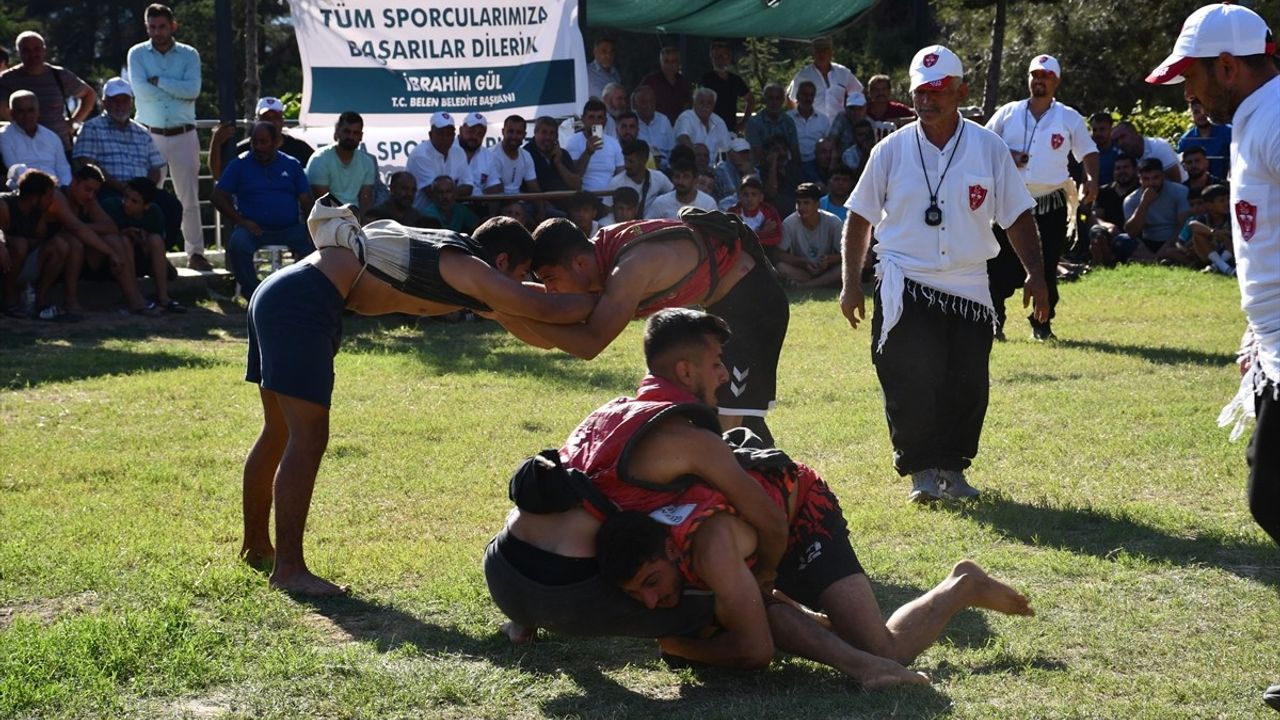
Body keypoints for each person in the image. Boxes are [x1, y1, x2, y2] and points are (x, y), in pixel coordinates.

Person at [241, 204, 596, 595]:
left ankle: (257, 547)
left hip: (281, 291)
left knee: (277, 432)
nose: (515, 286)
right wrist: (614, 297)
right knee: (306, 438)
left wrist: (589, 316)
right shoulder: (469, 268)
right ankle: (288, 569)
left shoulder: (468, 277)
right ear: (501, 260)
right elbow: (542, 306)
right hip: (302, 299)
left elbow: (538, 331)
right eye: (516, 276)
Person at [839, 45, 1048, 503]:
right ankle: (921, 474)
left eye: (937, 91)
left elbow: (1017, 214)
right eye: (919, 93)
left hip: (970, 282)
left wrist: (1036, 273)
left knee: (967, 384)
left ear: (960, 91)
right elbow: (859, 217)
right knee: (909, 378)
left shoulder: (988, 147)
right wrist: (850, 282)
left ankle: (954, 469)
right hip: (904, 280)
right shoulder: (890, 150)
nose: (927, 101)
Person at [1147, 5, 1280, 710]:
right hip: (1276, 350)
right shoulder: (1256, 117)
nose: (1186, 94)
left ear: (1228, 67)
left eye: (1190, 79)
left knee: (1273, 496)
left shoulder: (1275, 116)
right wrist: (1258, 337)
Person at [522, 205, 789, 443]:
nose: (550, 290)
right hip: (726, 306)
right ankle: (783, 483)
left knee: (726, 422)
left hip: (754, 304)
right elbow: (549, 338)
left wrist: (504, 301)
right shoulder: (601, 257)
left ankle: (752, 488)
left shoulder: (630, 267)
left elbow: (591, 343)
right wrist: (502, 310)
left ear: (579, 263)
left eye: (550, 279)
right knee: (729, 414)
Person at [984, 54, 1099, 341]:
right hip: (1010, 199)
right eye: (1035, 75)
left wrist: (1092, 180)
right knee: (999, 261)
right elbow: (984, 143)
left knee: (1046, 264)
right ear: (1029, 79)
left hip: (1051, 200)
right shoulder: (1008, 112)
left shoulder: (1069, 117)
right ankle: (994, 322)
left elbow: (1089, 151)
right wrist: (1009, 155)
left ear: (1056, 81)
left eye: (1046, 76)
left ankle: (1042, 325)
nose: (1039, 80)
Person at [126, 3, 207, 271]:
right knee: (146, 197)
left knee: (189, 198)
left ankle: (195, 253)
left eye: (162, 26)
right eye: (152, 27)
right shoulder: (137, 53)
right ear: (146, 27)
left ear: (173, 26)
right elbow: (140, 91)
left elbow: (193, 90)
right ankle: (146, 253)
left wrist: (159, 81)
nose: (157, 32)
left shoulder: (189, 54)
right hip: (149, 134)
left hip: (183, 133)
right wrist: (174, 86)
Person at [211, 122, 315, 298]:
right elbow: (217, 196)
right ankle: (254, 294)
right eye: (254, 142)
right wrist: (241, 221)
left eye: (263, 142)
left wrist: (311, 228)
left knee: (316, 246)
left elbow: (306, 200)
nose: (258, 147)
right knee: (238, 243)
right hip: (254, 229)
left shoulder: (292, 164)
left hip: (289, 228)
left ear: (275, 142)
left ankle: (303, 294)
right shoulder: (240, 164)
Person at [61, 164, 157, 315]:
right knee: (75, 243)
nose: (91, 195)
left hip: (88, 260)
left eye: (95, 192)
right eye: (87, 189)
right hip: (56, 255)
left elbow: (110, 227)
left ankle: (135, 298)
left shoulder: (89, 200)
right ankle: (70, 300)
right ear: (74, 182)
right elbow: (73, 228)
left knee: (114, 238)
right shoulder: (60, 197)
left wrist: (82, 227)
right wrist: (111, 253)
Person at [0, 31, 96, 153]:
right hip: (23, 149)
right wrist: (18, 126)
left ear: (44, 50)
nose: (32, 54)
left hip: (60, 147)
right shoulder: (7, 79)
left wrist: (74, 122)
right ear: (19, 53)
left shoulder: (60, 75)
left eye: (36, 49)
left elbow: (89, 95)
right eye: (26, 50)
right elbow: (3, 108)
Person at [101, 177, 185, 313]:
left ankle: (164, 297)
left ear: (146, 205)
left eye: (134, 201)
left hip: (143, 258)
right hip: (114, 261)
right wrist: (125, 232)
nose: (127, 203)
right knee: (125, 241)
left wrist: (143, 238)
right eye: (126, 197)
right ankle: (134, 297)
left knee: (156, 240)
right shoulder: (111, 207)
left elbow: (157, 239)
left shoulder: (154, 213)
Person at [0, 169, 69, 319]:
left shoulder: (39, 213)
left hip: (21, 263)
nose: (51, 200)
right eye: (49, 196)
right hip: (4, 263)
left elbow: (38, 240)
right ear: (34, 197)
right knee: (20, 245)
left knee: (60, 246)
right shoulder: (4, 204)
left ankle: (40, 300)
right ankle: (8, 300)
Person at [208, 96, 315, 181]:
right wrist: (216, 142)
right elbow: (219, 176)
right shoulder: (243, 150)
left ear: (282, 121)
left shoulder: (300, 148)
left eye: (276, 117)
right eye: (266, 118)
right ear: (257, 121)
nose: (271, 122)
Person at [1121, 157, 1192, 263]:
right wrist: (1144, 203)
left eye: (1155, 178)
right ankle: (1157, 260)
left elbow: (1183, 225)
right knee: (1121, 240)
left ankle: (1152, 260)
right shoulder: (1131, 200)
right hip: (1149, 242)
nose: (1151, 183)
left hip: (1174, 240)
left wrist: (1164, 249)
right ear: (1139, 179)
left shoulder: (1180, 191)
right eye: (1146, 179)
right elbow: (1132, 232)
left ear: (1163, 176)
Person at [305, 111, 375, 217]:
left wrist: (361, 226)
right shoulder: (319, 159)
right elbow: (324, 204)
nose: (351, 137)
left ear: (361, 136)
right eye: (347, 132)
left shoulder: (367, 163)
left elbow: (365, 201)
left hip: (355, 220)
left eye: (355, 133)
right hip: (325, 220)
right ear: (336, 132)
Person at [776, 182, 843, 288]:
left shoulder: (834, 222)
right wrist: (802, 262)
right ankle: (822, 282)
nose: (801, 207)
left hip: (828, 268)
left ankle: (805, 285)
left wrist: (829, 259)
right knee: (780, 267)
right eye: (798, 203)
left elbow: (845, 254)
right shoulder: (789, 223)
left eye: (806, 203)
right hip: (802, 270)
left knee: (846, 267)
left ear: (817, 204)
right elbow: (780, 254)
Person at [0, 90, 71, 186]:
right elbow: (14, 169)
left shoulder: (52, 137)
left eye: (31, 110)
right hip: (23, 191)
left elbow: (63, 169)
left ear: (38, 112)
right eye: (21, 111)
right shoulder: (4, 136)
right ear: (11, 113)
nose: (26, 116)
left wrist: (64, 188)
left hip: (55, 190)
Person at [788, 37, 862, 123]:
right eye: (818, 50)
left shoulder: (843, 73)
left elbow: (859, 93)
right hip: (813, 127)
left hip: (839, 127)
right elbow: (791, 99)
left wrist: (856, 118)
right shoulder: (803, 75)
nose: (821, 53)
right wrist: (799, 121)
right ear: (812, 53)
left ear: (831, 52)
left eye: (825, 49)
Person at [1085, 153, 1139, 266]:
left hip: (1134, 236)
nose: (1122, 171)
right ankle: (1101, 259)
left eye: (1126, 167)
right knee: (1096, 231)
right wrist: (1108, 226)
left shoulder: (1140, 191)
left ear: (1135, 170)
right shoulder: (1104, 192)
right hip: (1109, 234)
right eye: (1118, 168)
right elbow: (1093, 217)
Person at [406, 112, 475, 202]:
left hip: (452, 209)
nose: (445, 138)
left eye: (449, 134)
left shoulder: (459, 152)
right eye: (440, 133)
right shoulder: (420, 155)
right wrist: (454, 191)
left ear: (454, 135)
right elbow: (433, 193)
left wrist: (447, 193)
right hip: (421, 212)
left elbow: (469, 187)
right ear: (430, 135)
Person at [566, 99, 624, 193]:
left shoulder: (614, 143)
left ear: (605, 121)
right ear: (583, 119)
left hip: (609, 198)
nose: (596, 121)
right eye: (591, 117)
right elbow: (575, 176)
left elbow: (621, 176)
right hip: (585, 199)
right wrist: (588, 152)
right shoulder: (573, 141)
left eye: (600, 117)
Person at [478, 115, 541, 197]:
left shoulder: (526, 156)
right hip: (498, 202)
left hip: (519, 202)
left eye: (518, 132)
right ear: (503, 131)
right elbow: (496, 192)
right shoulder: (491, 155)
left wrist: (541, 208)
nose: (514, 136)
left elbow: (534, 190)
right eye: (510, 131)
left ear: (524, 135)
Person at [608, 140, 673, 218]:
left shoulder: (659, 177)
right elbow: (607, 211)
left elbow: (673, 196)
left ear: (644, 160)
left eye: (631, 161)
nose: (626, 165)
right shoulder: (616, 183)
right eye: (625, 160)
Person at [699, 41, 754, 133]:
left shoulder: (736, 80)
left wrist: (743, 123)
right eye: (716, 57)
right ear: (711, 58)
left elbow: (751, 100)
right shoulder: (707, 79)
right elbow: (699, 103)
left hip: (730, 129)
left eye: (723, 56)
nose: (720, 60)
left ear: (729, 57)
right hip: (710, 129)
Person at [525, 115, 582, 202]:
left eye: (552, 133)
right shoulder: (525, 155)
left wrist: (558, 163)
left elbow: (576, 185)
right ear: (535, 133)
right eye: (544, 132)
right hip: (539, 205)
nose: (548, 137)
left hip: (567, 203)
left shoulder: (563, 154)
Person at [745, 84, 802, 168]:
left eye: (778, 98)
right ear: (765, 100)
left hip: (785, 168)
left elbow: (795, 151)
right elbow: (756, 155)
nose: (774, 102)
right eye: (770, 98)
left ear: (783, 100)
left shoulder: (789, 121)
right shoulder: (753, 123)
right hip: (761, 168)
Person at [1112, 120, 1186, 183]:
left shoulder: (1159, 146)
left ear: (1135, 133)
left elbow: (1175, 179)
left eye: (1123, 137)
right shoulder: (1122, 154)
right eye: (1116, 140)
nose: (1120, 143)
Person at [1177, 99, 1232, 180]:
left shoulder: (1228, 132)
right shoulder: (1186, 140)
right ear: (1191, 114)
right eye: (1196, 112)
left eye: (1205, 111)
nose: (1201, 115)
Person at [673, 88, 733, 160]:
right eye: (701, 102)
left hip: (713, 168)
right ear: (694, 103)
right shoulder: (686, 117)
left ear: (714, 105)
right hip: (689, 166)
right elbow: (683, 138)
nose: (705, 106)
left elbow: (728, 148)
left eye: (709, 103)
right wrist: (699, 158)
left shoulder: (719, 121)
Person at [789, 81, 831, 183]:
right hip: (792, 163)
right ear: (798, 96)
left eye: (811, 95)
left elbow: (827, 145)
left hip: (817, 165)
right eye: (804, 94)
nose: (807, 98)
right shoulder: (788, 118)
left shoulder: (823, 119)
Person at [726, 174, 782, 251]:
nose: (749, 199)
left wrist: (747, 239)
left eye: (754, 194)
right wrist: (762, 233)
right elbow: (730, 239)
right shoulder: (732, 212)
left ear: (761, 197)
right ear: (739, 197)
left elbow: (776, 238)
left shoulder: (769, 211)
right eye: (745, 195)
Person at [645, 160, 717, 219]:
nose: (680, 181)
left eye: (686, 177)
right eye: (677, 176)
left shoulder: (708, 204)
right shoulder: (660, 203)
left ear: (695, 180)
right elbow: (647, 228)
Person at [364, 171, 438, 228]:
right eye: (404, 189)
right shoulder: (375, 215)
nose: (409, 194)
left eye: (413, 190)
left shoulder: (418, 219)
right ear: (392, 189)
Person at [640, 47, 692, 124]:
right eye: (666, 61)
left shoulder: (684, 82)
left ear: (679, 63)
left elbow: (687, 107)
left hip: (678, 128)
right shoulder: (650, 81)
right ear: (661, 63)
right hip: (654, 127)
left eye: (673, 61)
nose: (670, 65)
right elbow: (637, 101)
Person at [632, 84, 676, 170]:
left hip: (664, 168)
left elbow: (672, 150)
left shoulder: (663, 120)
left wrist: (663, 164)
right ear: (635, 104)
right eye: (643, 102)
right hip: (639, 168)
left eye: (651, 101)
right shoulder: (630, 122)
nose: (649, 105)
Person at [1088, 111, 1120, 186]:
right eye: (1094, 130)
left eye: (1102, 129)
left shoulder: (1120, 150)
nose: (1098, 133)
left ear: (1111, 129)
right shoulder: (1086, 152)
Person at [457, 112, 489, 178]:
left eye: (480, 134)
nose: (474, 137)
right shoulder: (446, 149)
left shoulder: (488, 156)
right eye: (471, 131)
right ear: (461, 130)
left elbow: (493, 184)